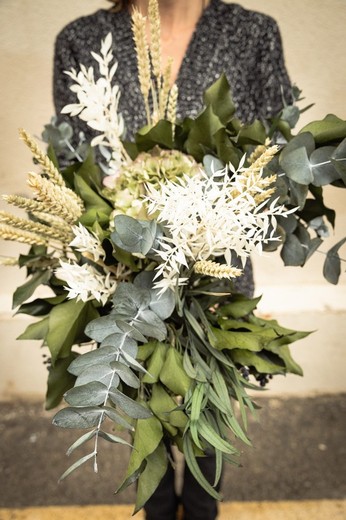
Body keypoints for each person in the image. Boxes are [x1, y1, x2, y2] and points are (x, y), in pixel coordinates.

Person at [53, 1, 292, 518]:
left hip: (216, 271)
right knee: (143, 412)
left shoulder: (252, 34)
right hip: (123, 277)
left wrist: (206, 224)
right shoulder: (82, 39)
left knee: (209, 417)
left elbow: (275, 160)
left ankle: (204, 512)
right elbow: (77, 171)